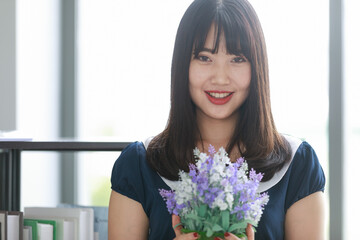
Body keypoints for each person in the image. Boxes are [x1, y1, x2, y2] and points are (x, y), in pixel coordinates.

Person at [108, 0, 326, 239]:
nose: (220, 78)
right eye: (204, 58)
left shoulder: (297, 165)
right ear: (182, 64)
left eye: (237, 59)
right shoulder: (138, 165)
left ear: (257, 68)